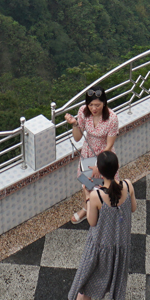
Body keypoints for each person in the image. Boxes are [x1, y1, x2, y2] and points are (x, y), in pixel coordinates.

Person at [67, 150, 134, 300]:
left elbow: (92, 221)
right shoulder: (127, 185)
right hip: (121, 244)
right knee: (118, 275)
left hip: (100, 243)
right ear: (117, 167)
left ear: (100, 172)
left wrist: (87, 198)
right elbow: (133, 208)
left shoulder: (97, 196)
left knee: (92, 270)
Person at [63, 88, 118, 224]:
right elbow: (77, 138)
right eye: (91, 105)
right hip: (88, 152)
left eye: (97, 105)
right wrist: (75, 124)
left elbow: (109, 145)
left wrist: (99, 166)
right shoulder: (83, 111)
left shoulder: (112, 118)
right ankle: (87, 208)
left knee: (107, 183)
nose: (94, 108)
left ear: (104, 103)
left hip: (105, 155)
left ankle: (108, 208)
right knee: (87, 183)